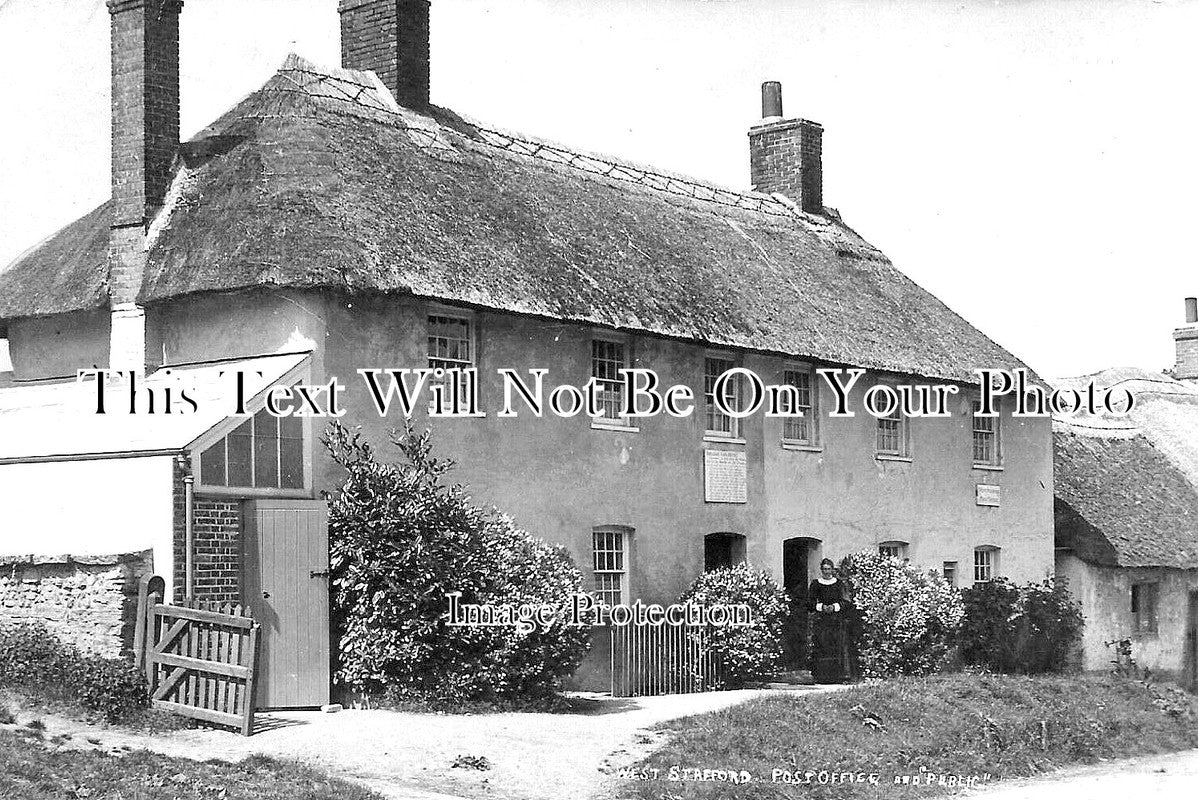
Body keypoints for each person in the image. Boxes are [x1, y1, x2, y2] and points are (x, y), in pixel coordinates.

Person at [807, 558, 851, 683]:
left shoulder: (839, 584)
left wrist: (834, 607)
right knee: (821, 646)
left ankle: (836, 677)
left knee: (836, 646)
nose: (826, 572)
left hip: (836, 621)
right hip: (821, 621)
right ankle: (821, 677)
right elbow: (810, 602)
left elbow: (846, 602)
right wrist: (821, 607)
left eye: (829, 569)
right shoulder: (816, 584)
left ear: (832, 570)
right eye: (824, 569)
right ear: (821, 570)